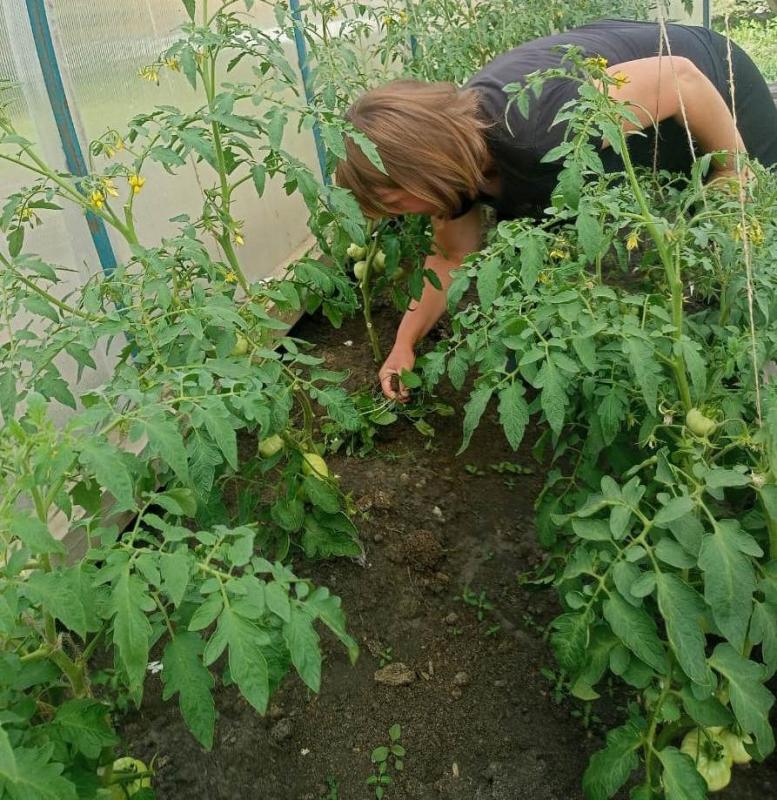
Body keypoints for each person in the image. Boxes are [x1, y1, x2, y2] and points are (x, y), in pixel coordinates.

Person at [335, 18, 777, 402]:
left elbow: (680, 78)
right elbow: (451, 257)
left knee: (741, 233)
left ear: (423, 169)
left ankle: (740, 382)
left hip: (715, 83)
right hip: (655, 109)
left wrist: (733, 169)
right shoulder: (456, 162)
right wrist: (403, 345)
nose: (403, 213)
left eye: (395, 202)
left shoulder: (538, 126)